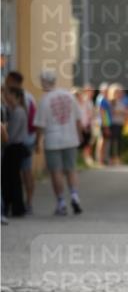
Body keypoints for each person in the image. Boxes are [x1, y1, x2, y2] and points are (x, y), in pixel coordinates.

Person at [34, 71, 83, 215]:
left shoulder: (44, 100)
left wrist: (38, 142)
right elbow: (78, 119)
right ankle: (74, 195)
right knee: (71, 169)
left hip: (52, 140)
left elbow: (40, 126)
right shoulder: (69, 95)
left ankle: (61, 202)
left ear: (44, 82)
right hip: (71, 137)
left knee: (56, 171)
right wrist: (79, 135)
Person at [4, 70, 37, 213]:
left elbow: (12, 132)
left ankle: (20, 205)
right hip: (25, 140)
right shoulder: (28, 99)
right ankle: (26, 203)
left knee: (17, 176)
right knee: (22, 174)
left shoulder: (18, 108)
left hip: (19, 143)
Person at [1, 85, 29, 217]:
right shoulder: (15, 110)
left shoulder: (18, 112)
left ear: (15, 96)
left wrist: (4, 136)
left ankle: (16, 207)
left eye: (9, 94)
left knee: (12, 179)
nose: (6, 97)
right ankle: (15, 206)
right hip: (14, 147)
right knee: (12, 179)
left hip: (14, 148)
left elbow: (11, 135)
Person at [109, 83, 128, 165]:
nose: (120, 93)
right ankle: (112, 158)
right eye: (118, 92)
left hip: (120, 123)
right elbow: (112, 112)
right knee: (113, 141)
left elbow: (125, 112)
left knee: (118, 141)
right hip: (113, 124)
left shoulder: (121, 101)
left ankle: (118, 158)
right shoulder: (111, 101)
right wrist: (121, 112)